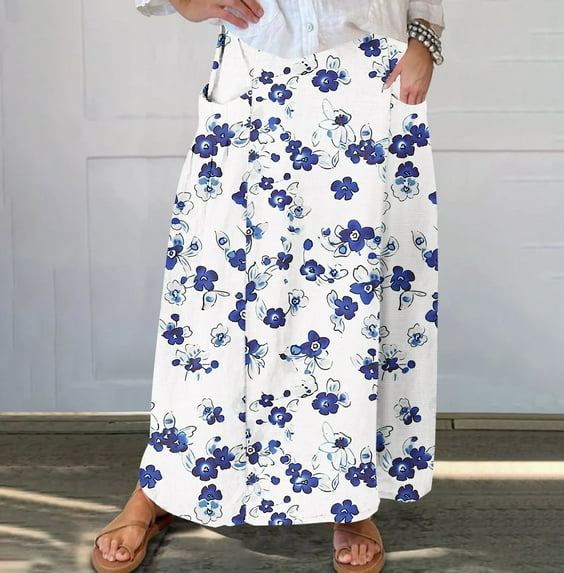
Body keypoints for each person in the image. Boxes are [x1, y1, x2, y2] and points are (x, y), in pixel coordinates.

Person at [92, 1, 444, 572]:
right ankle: (164, 485)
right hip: (256, 72)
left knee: (350, 302)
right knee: (211, 303)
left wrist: (425, 37)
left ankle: (346, 493)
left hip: (370, 78)